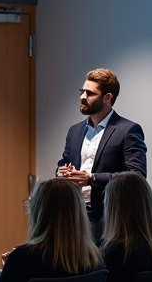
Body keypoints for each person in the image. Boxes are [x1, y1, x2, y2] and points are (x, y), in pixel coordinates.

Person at [57, 68, 147, 232]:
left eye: (90, 93)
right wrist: (62, 171)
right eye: (82, 91)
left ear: (107, 97)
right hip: (74, 217)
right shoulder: (74, 131)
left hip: (110, 220)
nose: (83, 97)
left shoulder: (128, 130)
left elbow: (137, 175)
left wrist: (91, 178)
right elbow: (64, 161)